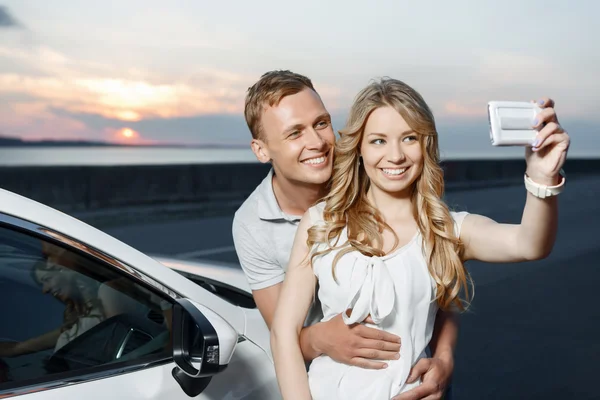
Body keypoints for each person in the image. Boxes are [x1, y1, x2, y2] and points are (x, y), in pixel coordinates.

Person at [270, 77, 569, 399]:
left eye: (409, 138)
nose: (395, 156)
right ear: (358, 147)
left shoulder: (448, 230)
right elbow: (283, 334)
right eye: (378, 141)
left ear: (426, 145)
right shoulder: (321, 221)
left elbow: (530, 245)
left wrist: (542, 179)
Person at [233, 71, 459, 399]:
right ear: (261, 150)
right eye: (295, 132)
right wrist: (325, 338)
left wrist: (445, 358)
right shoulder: (252, 224)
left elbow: (441, 274)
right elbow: (283, 334)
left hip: (415, 378)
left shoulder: (377, 167)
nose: (317, 142)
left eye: (321, 123)